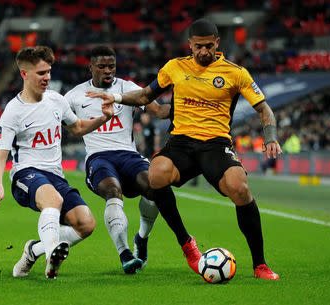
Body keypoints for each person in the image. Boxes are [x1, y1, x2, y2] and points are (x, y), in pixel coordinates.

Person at [87, 19, 282, 280]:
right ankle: (187, 243)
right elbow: (145, 96)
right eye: (198, 46)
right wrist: (118, 97)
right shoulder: (175, 67)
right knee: (155, 176)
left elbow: (263, 108)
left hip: (216, 144)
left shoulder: (235, 73)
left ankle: (260, 264)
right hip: (180, 142)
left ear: (217, 44)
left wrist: (270, 136)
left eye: (209, 46)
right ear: (189, 44)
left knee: (240, 188)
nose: (203, 51)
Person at [0, 46, 114, 279]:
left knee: (85, 224)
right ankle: (52, 253)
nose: (47, 77)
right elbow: (0, 156)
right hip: (26, 174)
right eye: (40, 73)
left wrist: (103, 118)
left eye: (48, 72)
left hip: (55, 175)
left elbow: (77, 127)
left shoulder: (56, 100)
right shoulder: (13, 112)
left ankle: (34, 250)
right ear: (24, 74)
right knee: (53, 200)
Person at [65, 46, 170, 274]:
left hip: (129, 155)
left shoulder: (128, 88)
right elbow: (57, 121)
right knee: (113, 192)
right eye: (101, 66)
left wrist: (189, 104)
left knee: (155, 187)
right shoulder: (73, 96)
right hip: (98, 157)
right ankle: (124, 253)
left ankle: (141, 238)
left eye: (111, 66)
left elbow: (159, 111)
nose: (107, 71)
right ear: (90, 67)